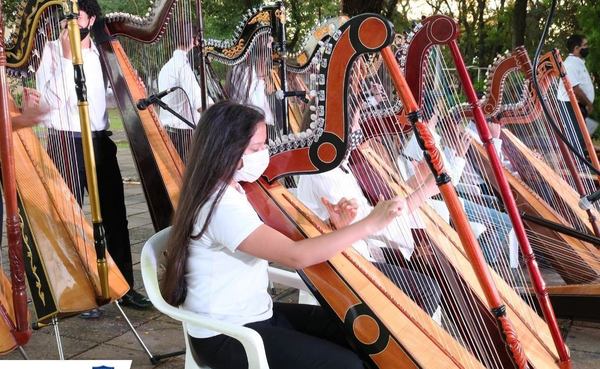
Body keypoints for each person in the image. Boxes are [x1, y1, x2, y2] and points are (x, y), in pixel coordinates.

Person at [162, 101, 407, 369]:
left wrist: (333, 226)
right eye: (256, 148)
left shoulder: (231, 188)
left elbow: (278, 243)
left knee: (365, 335)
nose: (264, 153)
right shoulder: (219, 205)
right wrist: (369, 225)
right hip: (227, 335)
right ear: (227, 151)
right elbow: (294, 256)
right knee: (348, 365)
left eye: (264, 145)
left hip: (256, 314)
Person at [35, 0, 151, 312]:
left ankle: (123, 286)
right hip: (65, 143)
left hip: (100, 142)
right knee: (70, 217)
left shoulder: (103, 53)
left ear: (91, 19)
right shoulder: (49, 51)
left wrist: (135, 87)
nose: (67, 24)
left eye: (76, 17)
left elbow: (116, 96)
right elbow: (49, 103)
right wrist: (65, 58)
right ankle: (81, 290)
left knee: (115, 215)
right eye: (64, 19)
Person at [158, 22, 213, 161]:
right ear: (194, 40)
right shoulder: (182, 65)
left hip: (168, 133)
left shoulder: (167, 66)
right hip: (183, 137)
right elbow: (200, 104)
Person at [557, 34, 595, 146]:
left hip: (579, 105)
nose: (587, 47)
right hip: (571, 105)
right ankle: (577, 162)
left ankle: (584, 161)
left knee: (585, 137)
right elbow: (575, 90)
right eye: (585, 45)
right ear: (576, 48)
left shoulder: (577, 62)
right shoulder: (570, 64)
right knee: (577, 139)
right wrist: (589, 104)